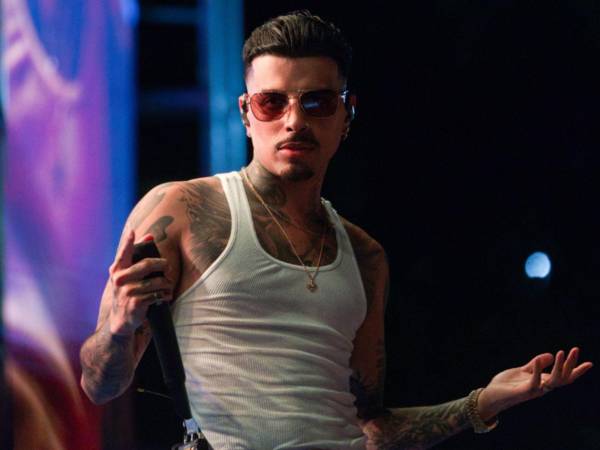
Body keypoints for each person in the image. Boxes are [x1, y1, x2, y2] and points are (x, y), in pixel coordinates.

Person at [80, 10, 593, 449]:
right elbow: (99, 385)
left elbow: (372, 428)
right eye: (271, 102)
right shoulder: (182, 209)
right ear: (245, 113)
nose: (293, 121)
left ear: (347, 114)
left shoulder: (366, 256)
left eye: (317, 102)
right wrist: (118, 327)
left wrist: (481, 403)